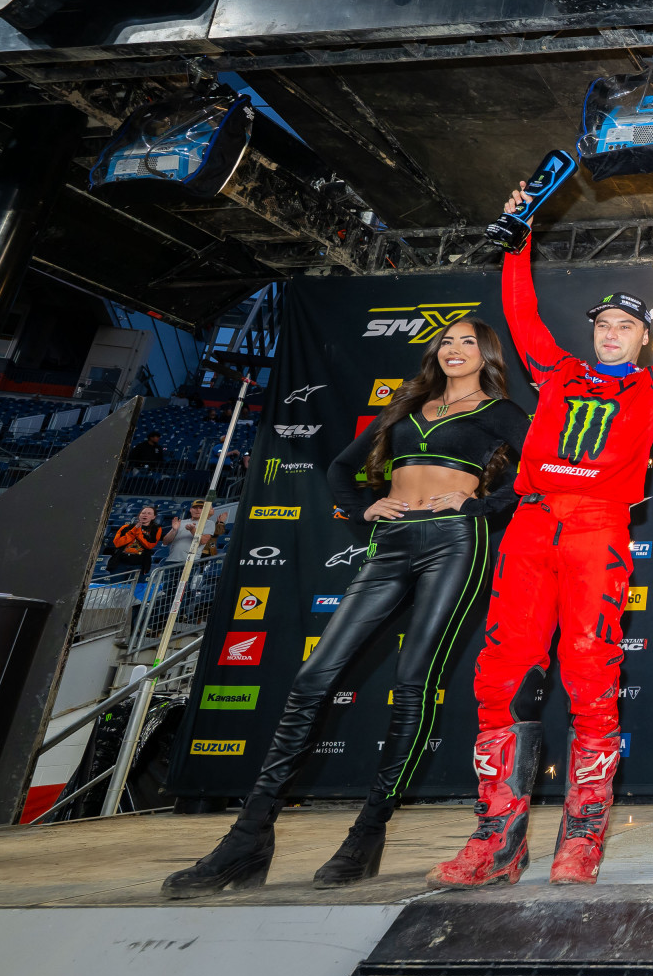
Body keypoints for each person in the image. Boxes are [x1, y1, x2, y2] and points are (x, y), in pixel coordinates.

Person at [164, 318, 528, 898]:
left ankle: (366, 835)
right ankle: (248, 838)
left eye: (468, 342)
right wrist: (363, 508)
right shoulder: (408, 406)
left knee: (413, 681)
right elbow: (339, 468)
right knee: (313, 678)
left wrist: (479, 503)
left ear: (486, 356)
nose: (455, 349)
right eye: (447, 340)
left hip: (456, 543)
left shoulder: (504, 412)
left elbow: (539, 476)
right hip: (390, 544)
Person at [430, 181, 653, 890]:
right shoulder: (556, 371)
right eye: (604, 324)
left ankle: (582, 840)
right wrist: (519, 232)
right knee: (499, 675)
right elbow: (520, 309)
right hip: (532, 524)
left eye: (625, 325)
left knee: (591, 676)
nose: (612, 332)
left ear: (643, 338)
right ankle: (496, 841)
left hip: (598, 532)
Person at [108, 504, 163, 577]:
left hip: (139, 564)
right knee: (116, 587)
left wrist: (138, 532)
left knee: (134, 587)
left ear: (153, 517)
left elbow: (149, 545)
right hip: (120, 563)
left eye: (149, 513)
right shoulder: (126, 527)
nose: (145, 515)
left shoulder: (156, 529)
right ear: (139, 515)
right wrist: (134, 530)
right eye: (143, 513)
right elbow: (117, 543)